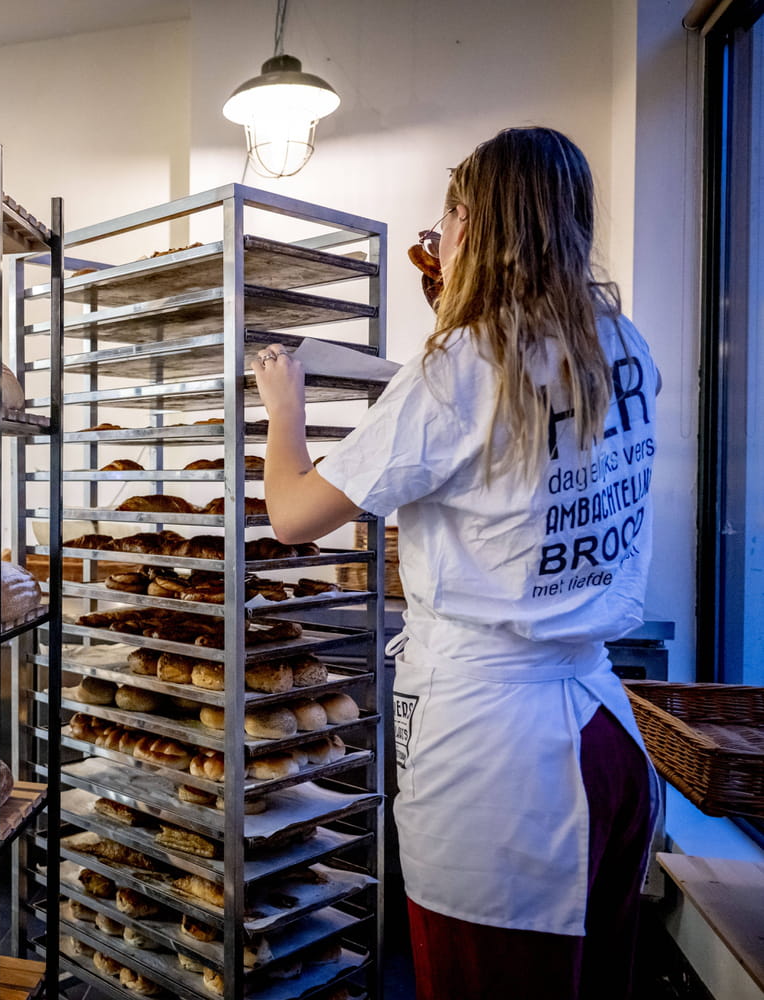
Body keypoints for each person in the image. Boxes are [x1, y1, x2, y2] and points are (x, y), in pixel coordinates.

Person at [252, 126, 659, 1000]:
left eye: (446, 219)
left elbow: (291, 515)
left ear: (469, 223)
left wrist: (283, 405)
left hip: (503, 770)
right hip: (606, 739)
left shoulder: (459, 366)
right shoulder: (622, 345)